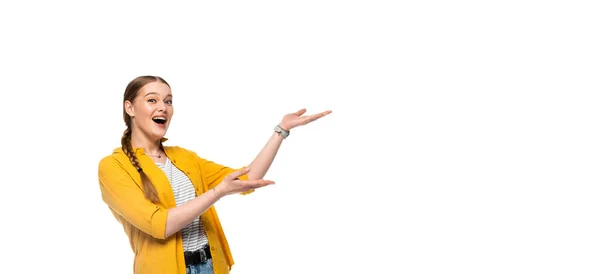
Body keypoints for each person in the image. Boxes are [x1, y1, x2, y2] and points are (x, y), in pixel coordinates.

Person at [97, 75, 331, 274]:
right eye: (152, 100)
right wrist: (217, 192)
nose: (163, 107)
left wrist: (281, 131)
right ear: (130, 108)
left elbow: (246, 180)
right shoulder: (114, 167)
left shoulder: (184, 157)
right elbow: (160, 224)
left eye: (168, 101)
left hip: (210, 265)